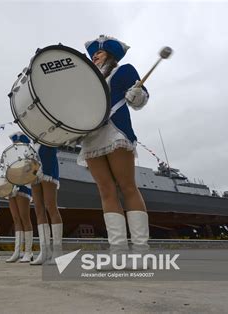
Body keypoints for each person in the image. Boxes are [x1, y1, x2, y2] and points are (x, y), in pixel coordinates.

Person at [79, 35, 150, 260]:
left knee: (127, 186)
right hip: (91, 136)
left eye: (100, 53)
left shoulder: (123, 70)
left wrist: (137, 94)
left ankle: (140, 252)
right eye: (94, 54)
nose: (95, 56)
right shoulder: (86, 84)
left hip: (115, 130)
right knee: (106, 191)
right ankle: (117, 252)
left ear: (110, 55)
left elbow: (140, 99)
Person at [30, 142, 62, 265]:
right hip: (34, 171)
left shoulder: (49, 134)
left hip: (47, 164)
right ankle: (45, 251)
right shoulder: (32, 142)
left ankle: (58, 252)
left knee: (51, 206)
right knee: (38, 209)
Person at [6, 132, 34, 263]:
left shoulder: (28, 155)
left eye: (17, 143)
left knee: (24, 218)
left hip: (23, 185)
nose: (15, 145)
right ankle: (17, 252)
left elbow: (31, 170)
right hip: (12, 187)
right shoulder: (11, 158)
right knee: (16, 219)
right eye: (14, 143)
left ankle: (28, 252)